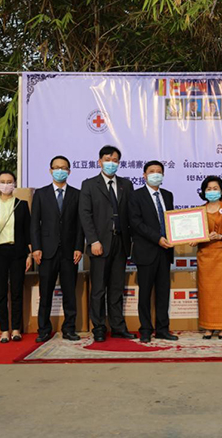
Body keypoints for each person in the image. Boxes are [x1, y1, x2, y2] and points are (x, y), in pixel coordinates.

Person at [79, 146, 135, 342]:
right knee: (98, 289)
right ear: (100, 162)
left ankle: (118, 326)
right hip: (99, 243)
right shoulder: (89, 185)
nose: (111, 163)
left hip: (121, 242)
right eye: (107, 159)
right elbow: (85, 215)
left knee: (116, 288)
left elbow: (131, 214)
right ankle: (99, 328)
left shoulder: (126, 185)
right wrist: (93, 240)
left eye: (115, 160)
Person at [30, 155, 85, 343]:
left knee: (69, 293)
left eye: (63, 168)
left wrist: (79, 247)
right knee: (45, 293)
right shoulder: (41, 194)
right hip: (46, 251)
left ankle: (69, 329)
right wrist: (36, 247)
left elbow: (80, 224)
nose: (60, 171)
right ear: (50, 170)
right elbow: (34, 224)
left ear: (69, 171)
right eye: (56, 167)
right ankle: (43, 330)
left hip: (70, 252)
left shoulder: (77, 194)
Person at [128, 161, 178, 343]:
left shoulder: (168, 195)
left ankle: (163, 329)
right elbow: (136, 223)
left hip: (165, 252)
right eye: (151, 171)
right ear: (144, 175)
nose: (155, 174)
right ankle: (146, 329)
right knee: (145, 294)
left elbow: (172, 221)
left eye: (159, 171)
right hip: (146, 251)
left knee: (163, 293)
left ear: (163, 175)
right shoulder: (135, 196)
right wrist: (157, 238)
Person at [0, 171, 32, 344]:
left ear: (14, 184)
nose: (6, 185)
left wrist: (29, 255)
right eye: (2, 181)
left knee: (17, 291)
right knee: (1, 292)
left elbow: (28, 232)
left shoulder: (21, 205)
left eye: (9, 181)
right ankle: (4, 330)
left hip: (18, 252)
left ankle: (16, 329)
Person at [193, 176, 222, 339]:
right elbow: (194, 232)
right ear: (203, 191)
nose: (212, 191)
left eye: (215, 188)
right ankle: (208, 326)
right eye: (209, 189)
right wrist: (193, 239)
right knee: (207, 292)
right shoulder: (198, 211)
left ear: (221, 190)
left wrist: (221, 236)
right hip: (205, 254)